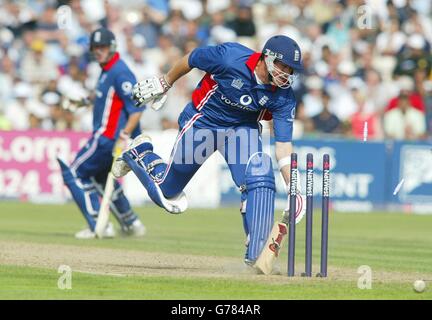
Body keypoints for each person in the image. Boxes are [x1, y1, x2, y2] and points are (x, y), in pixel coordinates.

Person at [113, 35, 304, 269]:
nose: (286, 73)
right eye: (282, 66)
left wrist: (295, 187)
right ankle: (140, 152)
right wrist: (165, 82)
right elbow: (192, 58)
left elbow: (283, 145)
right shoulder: (230, 57)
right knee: (167, 193)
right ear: (267, 57)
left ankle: (257, 255)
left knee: (260, 176)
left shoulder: (284, 96)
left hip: (241, 130)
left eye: (290, 69)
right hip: (204, 123)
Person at [57, 28, 146, 239]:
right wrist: (85, 101)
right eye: (95, 47)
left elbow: (137, 108)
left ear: (112, 46)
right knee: (99, 179)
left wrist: (124, 135)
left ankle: (98, 224)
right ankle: (130, 222)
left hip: (107, 137)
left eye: (102, 47)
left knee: (75, 173)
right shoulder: (107, 69)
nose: (98, 51)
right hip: (108, 136)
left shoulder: (120, 71)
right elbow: (107, 99)